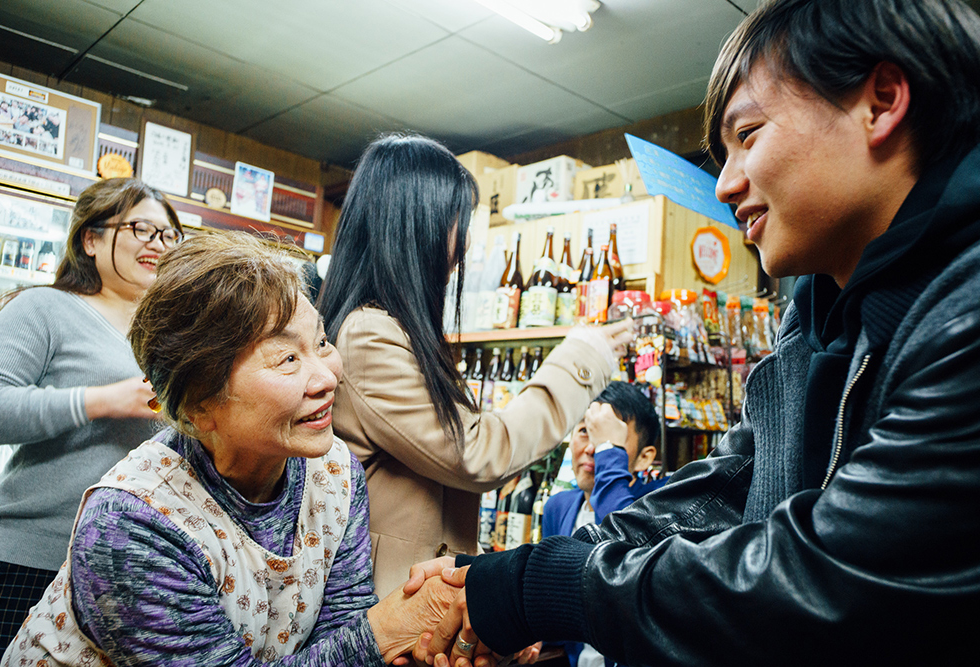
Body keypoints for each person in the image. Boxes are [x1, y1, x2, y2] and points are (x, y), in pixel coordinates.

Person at [415, 1, 980, 665]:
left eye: (749, 134)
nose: (725, 185)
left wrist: (535, 588)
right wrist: (511, 578)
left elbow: (827, 580)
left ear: (881, 101)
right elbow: (731, 485)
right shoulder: (817, 311)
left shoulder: (964, 309)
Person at [1, 231, 471, 667]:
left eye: (322, 342)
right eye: (287, 358)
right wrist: (385, 630)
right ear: (199, 407)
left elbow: (338, 637)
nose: (329, 377)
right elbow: (358, 644)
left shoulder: (334, 470)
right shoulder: (132, 524)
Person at [318, 133, 633, 596]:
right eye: (455, 223)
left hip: (410, 600)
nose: (461, 246)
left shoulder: (393, 329)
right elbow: (478, 454)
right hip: (382, 611)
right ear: (415, 225)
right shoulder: (368, 334)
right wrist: (580, 360)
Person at [0, 178, 182, 662]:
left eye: (169, 234)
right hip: (29, 559)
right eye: (141, 229)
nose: (158, 244)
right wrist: (101, 400)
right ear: (90, 240)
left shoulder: (176, 332)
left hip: (134, 569)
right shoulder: (45, 308)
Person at [540, 381, 665, 667]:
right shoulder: (557, 507)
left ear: (644, 457)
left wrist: (610, 450)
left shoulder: (653, 507)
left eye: (609, 437)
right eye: (585, 431)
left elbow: (624, 535)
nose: (592, 449)